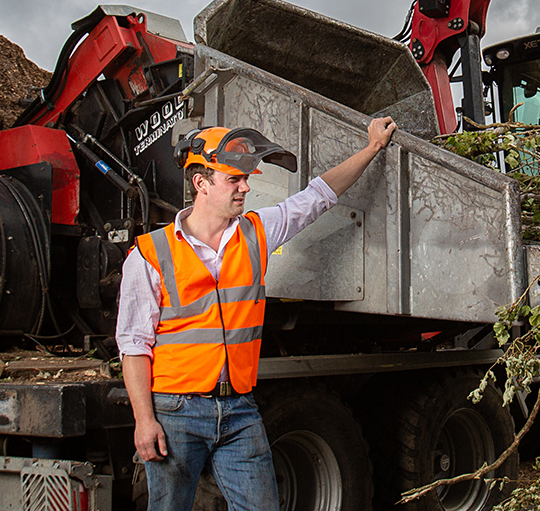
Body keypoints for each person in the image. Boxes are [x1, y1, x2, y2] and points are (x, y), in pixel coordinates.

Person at [117, 117, 396, 511]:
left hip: (239, 411)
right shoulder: (149, 255)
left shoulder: (256, 233)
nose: (245, 187)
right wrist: (144, 421)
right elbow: (133, 346)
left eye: (245, 178)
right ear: (202, 183)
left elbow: (319, 195)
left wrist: (371, 148)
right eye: (234, 179)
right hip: (175, 413)